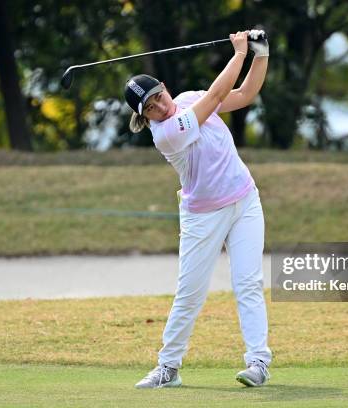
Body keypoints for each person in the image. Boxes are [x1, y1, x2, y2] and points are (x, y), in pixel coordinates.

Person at [124, 30, 271, 388]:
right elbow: (218, 93)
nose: (160, 106)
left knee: (248, 283)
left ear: (163, 86)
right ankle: (168, 368)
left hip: (244, 200)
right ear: (144, 117)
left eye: (158, 96)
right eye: (150, 108)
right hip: (203, 216)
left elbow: (245, 94)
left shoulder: (189, 98)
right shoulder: (166, 133)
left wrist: (261, 53)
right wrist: (239, 54)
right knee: (190, 292)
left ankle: (258, 363)